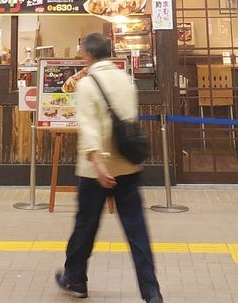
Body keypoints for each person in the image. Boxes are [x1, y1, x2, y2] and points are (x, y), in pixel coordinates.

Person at [55, 31, 163, 303]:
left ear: (88, 54)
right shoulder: (126, 80)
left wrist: (98, 163)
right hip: (127, 166)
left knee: (85, 228)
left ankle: (75, 280)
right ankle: (151, 291)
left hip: (96, 172)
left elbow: (89, 127)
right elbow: (129, 120)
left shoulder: (86, 84)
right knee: (137, 231)